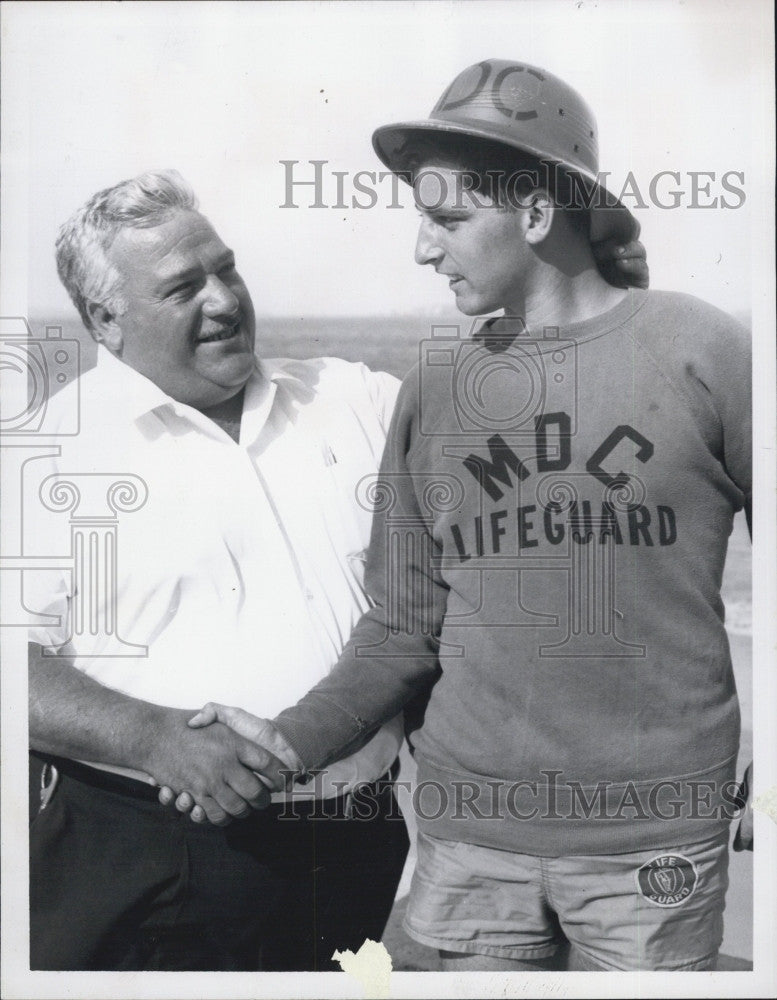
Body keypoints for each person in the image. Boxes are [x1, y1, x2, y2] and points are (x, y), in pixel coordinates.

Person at [182, 60, 752, 972]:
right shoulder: (436, 390)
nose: (421, 249)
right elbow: (400, 628)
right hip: (465, 846)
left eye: (446, 220)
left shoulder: (703, 351)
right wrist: (285, 742)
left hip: (655, 844)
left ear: (533, 215)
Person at [28, 166, 644, 971]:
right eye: (183, 287)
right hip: (143, 849)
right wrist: (151, 739)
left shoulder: (354, 400)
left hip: (353, 849)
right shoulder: (49, 452)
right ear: (106, 319)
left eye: (225, 267)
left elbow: (533, 460)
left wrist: (593, 290)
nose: (223, 298)